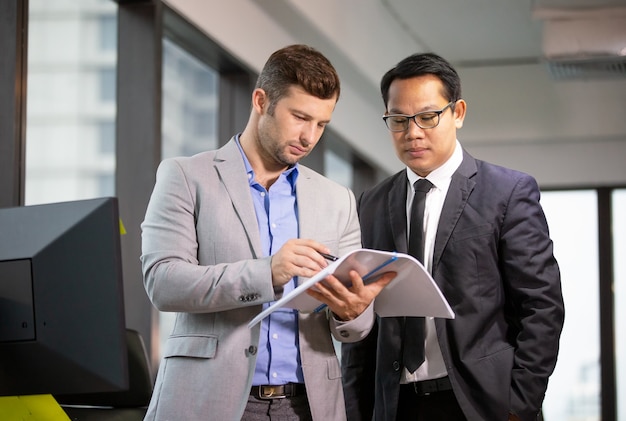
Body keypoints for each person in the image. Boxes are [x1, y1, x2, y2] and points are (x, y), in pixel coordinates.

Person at [140, 44, 394, 421]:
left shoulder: (337, 199)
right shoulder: (186, 176)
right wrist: (267, 272)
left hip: (308, 406)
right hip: (210, 400)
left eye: (321, 124)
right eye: (299, 117)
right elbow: (163, 282)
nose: (310, 136)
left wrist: (353, 312)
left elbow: (354, 327)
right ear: (261, 100)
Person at [338, 53, 565, 421]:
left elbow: (542, 309)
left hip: (482, 404)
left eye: (428, 117)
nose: (413, 132)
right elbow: (364, 321)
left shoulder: (506, 193)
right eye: (399, 120)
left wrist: (518, 406)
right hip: (396, 406)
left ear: (457, 112)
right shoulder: (372, 204)